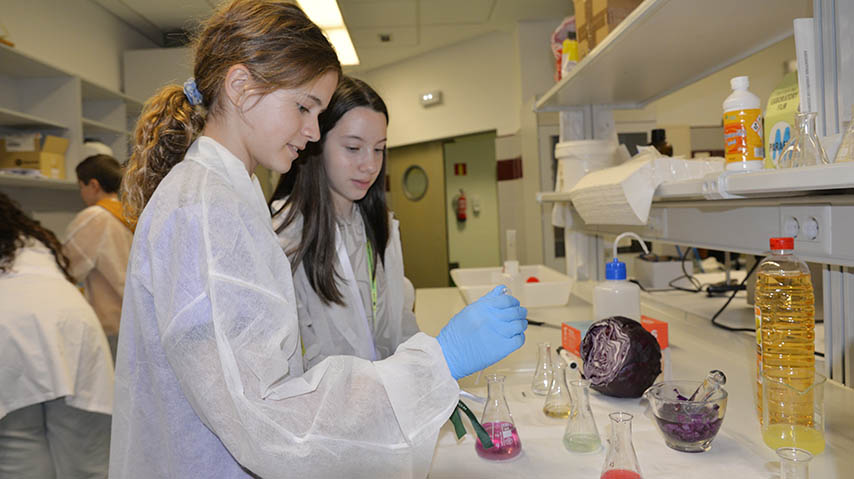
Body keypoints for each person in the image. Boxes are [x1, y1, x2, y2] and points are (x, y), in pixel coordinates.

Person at [110, 1, 526, 478]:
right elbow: (269, 420)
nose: (312, 132)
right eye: (304, 107)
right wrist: (436, 365)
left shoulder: (229, 195)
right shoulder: (204, 209)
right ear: (241, 88)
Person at [270, 76, 418, 368]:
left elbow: (396, 330)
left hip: (383, 399)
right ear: (316, 143)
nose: (370, 165)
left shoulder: (378, 227)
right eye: (353, 148)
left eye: (379, 149)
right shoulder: (285, 239)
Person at [0, 192, 114, 479]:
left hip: (9, 335)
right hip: (72, 329)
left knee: (20, 450)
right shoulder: (34, 242)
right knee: (87, 462)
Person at [63, 154, 134, 359]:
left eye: (81, 187)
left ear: (93, 185)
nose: (82, 193)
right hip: (130, 320)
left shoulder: (95, 217)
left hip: (109, 326)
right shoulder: (128, 213)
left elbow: (66, 268)